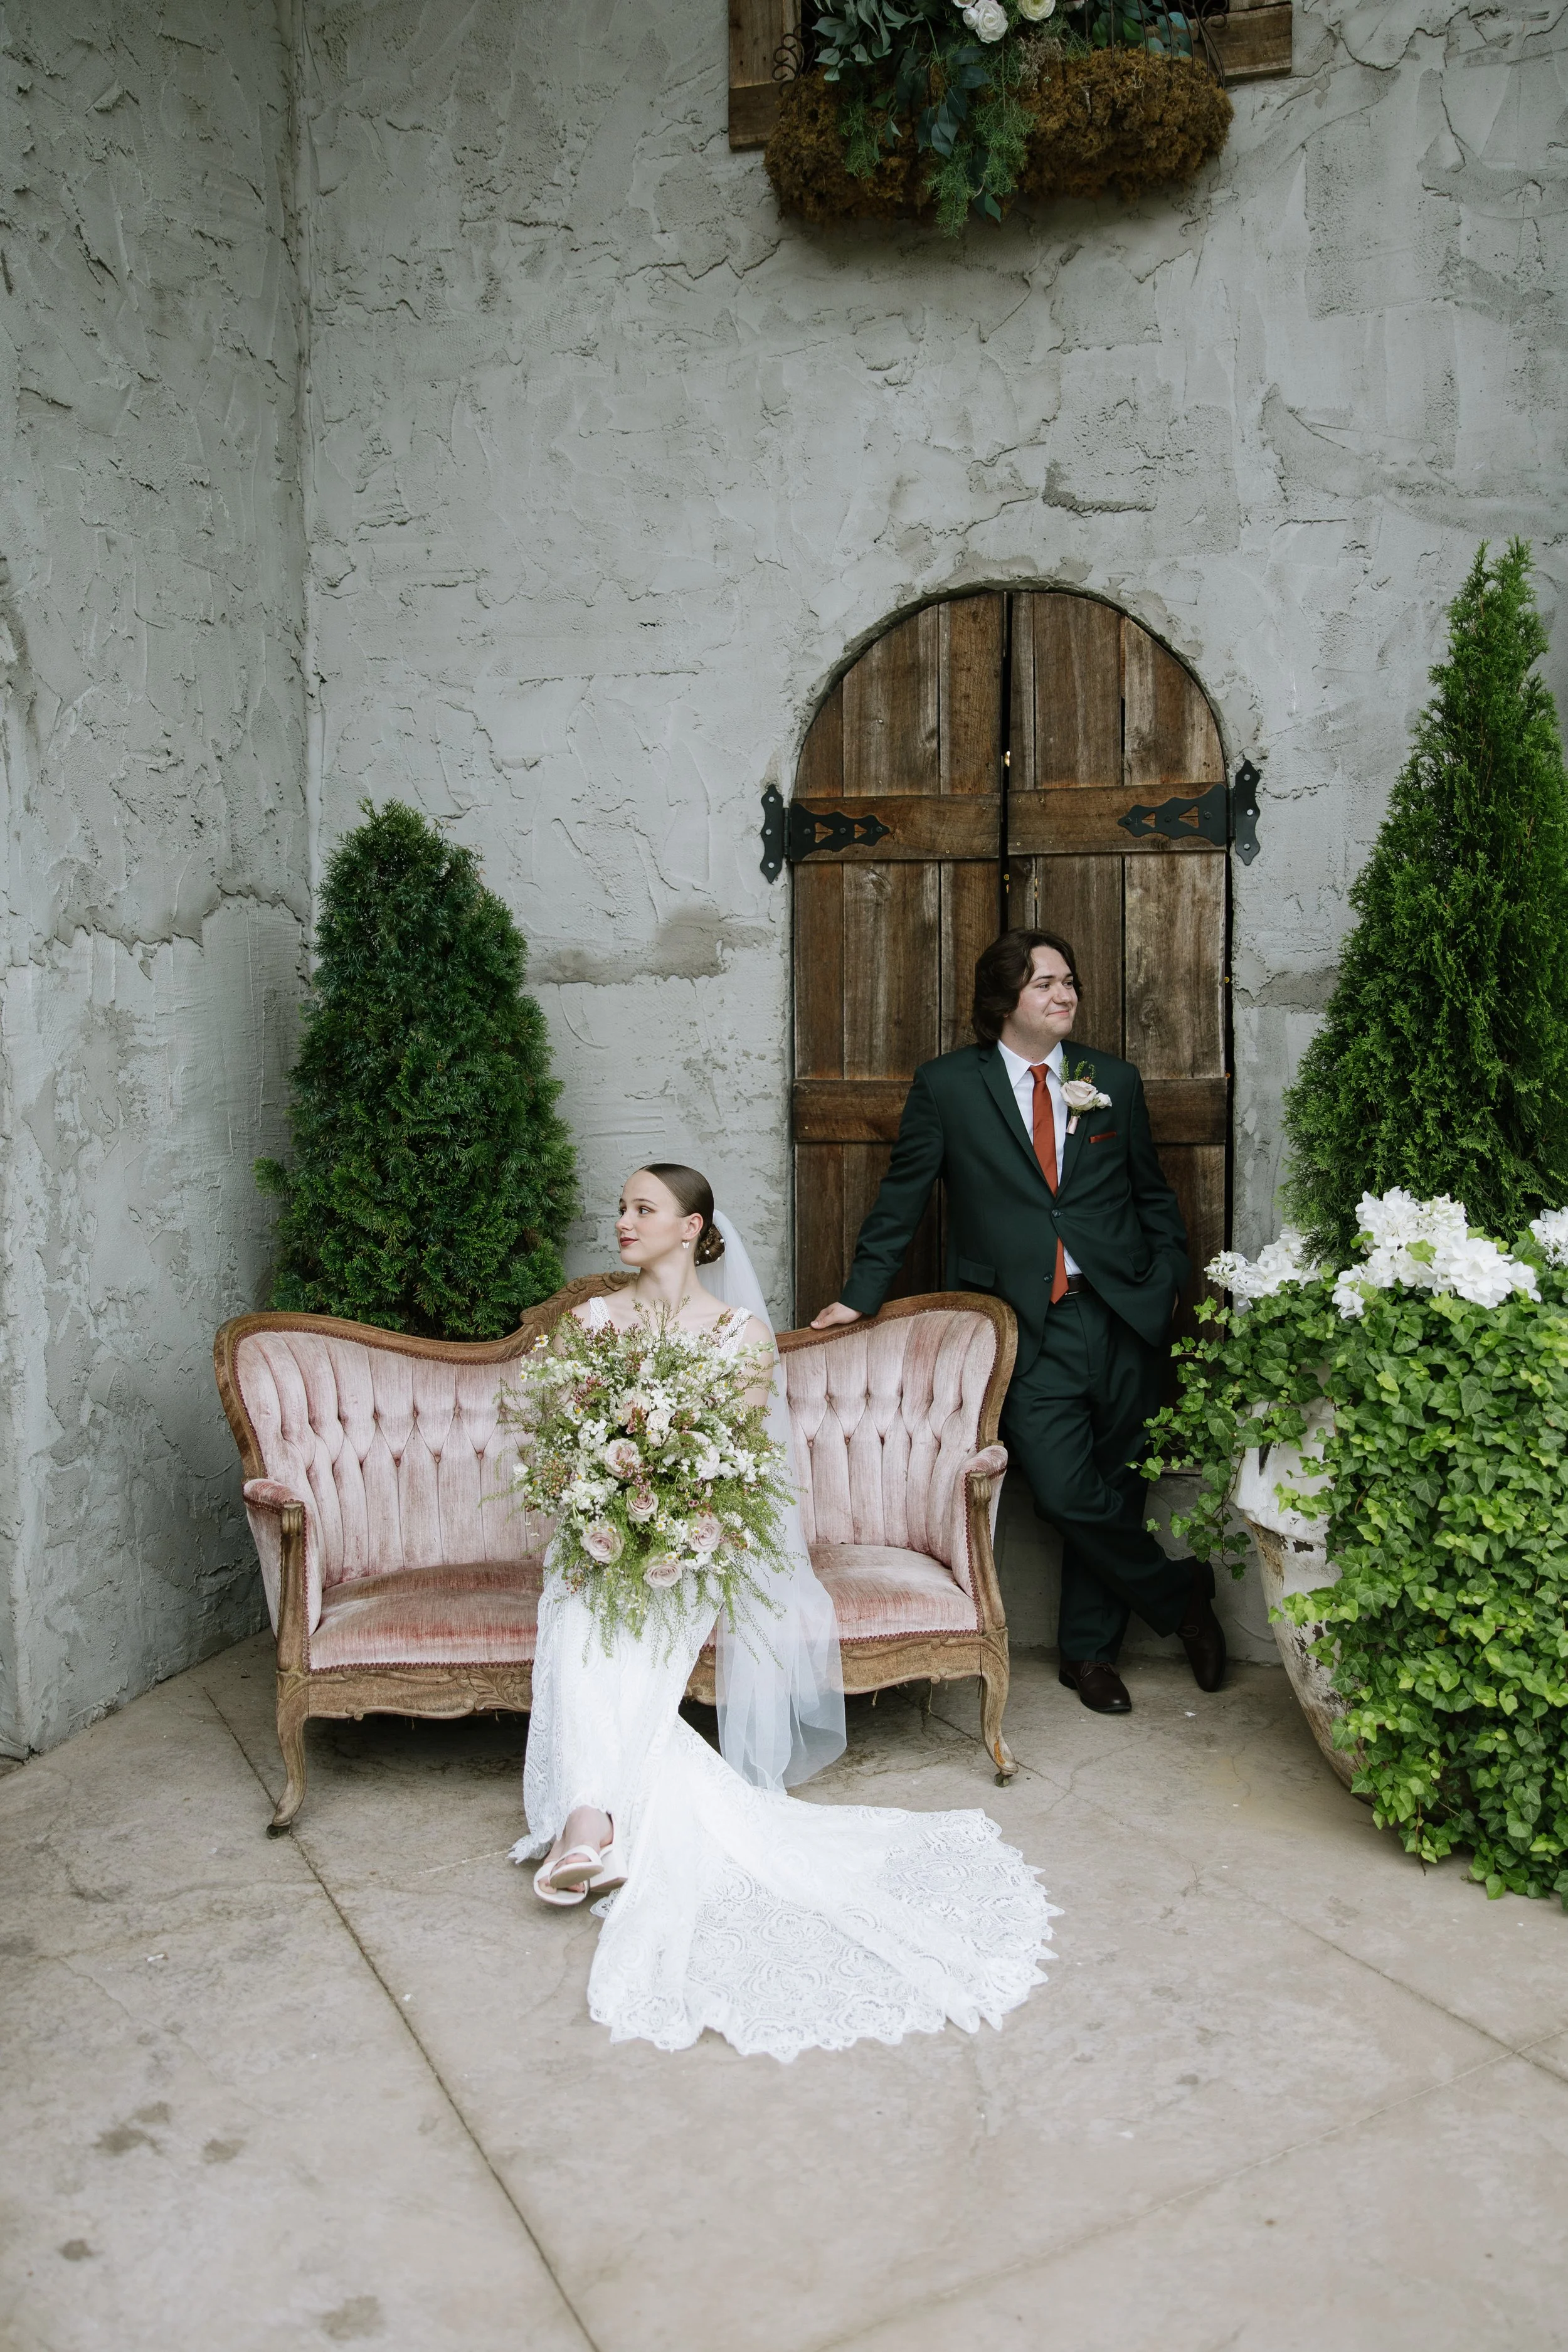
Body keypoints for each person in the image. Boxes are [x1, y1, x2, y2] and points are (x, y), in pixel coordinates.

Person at [513, 1162, 1056, 2060]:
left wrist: (670, 1519)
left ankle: (589, 1820)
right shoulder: (591, 1322)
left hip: (695, 1534)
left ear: (692, 1227)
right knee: (578, 1609)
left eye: (643, 1209)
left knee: (638, 1615)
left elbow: (734, 1459)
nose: (624, 1222)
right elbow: (561, 1434)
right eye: (621, 1208)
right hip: (603, 1530)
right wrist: (603, 1498)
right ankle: (592, 1820)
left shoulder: (738, 1334)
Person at [812, 930, 1226, 1717]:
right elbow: (902, 1199)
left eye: (1068, 980)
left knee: (1115, 1486)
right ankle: (1182, 1597)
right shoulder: (947, 1087)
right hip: (1024, 1324)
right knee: (1065, 1492)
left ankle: (1089, 1656)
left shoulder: (1110, 1080)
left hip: (1122, 1313)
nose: (1064, 994)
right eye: (1045, 983)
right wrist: (861, 1294)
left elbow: (1151, 1193)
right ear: (1004, 999)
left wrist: (1167, 1278)